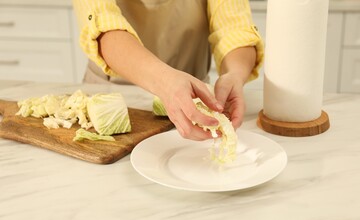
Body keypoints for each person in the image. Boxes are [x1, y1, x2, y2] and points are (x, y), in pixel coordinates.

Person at [72, 0, 264, 141]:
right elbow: (104, 28)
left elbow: (235, 29)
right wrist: (164, 81)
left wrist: (235, 75)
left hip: (193, 104)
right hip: (111, 99)